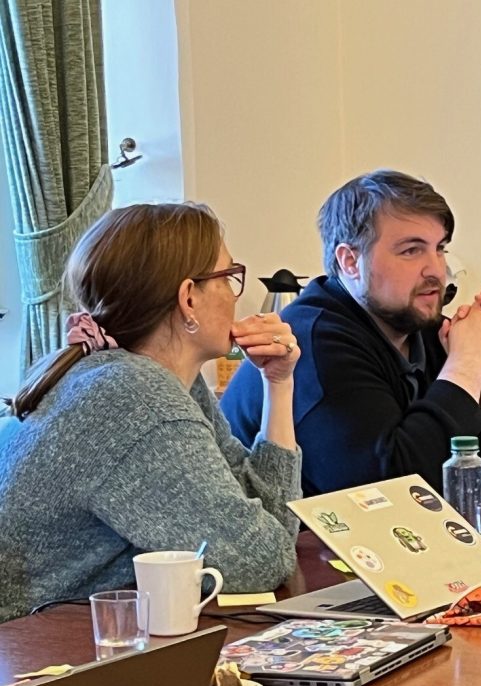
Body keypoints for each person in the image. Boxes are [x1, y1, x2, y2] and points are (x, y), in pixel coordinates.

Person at [0, 203, 302, 622]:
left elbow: (266, 525)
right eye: (230, 278)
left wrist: (278, 383)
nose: (237, 296)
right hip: (46, 665)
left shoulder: (144, 378)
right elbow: (258, 563)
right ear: (188, 298)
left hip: (73, 648)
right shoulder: (133, 398)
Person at [220, 170, 481, 497]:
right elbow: (386, 491)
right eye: (411, 250)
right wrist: (466, 366)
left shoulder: (425, 329)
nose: (436, 269)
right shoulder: (313, 343)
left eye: (440, 248)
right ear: (350, 262)